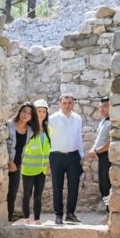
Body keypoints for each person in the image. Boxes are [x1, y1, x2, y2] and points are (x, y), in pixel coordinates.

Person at [46, 93, 85, 224]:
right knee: (57, 186)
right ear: (60, 104)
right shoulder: (52, 119)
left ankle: (70, 213)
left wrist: (81, 155)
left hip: (73, 156)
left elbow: (79, 137)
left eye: (70, 103)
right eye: (65, 103)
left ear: (73, 104)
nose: (67, 105)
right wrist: (46, 158)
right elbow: (47, 139)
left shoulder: (78, 118)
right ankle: (58, 214)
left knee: (74, 186)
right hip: (56, 156)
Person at [19, 108, 51, 225]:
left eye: (44, 111)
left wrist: (49, 163)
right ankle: (26, 218)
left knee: (38, 195)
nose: (41, 114)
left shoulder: (49, 130)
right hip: (28, 167)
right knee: (27, 194)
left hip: (42, 168)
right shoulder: (29, 129)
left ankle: (37, 219)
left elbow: (49, 148)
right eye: (38, 111)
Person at [6, 102, 34, 222]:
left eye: (29, 113)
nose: (25, 115)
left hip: (17, 166)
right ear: (20, 111)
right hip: (4, 164)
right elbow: (1, 144)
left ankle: (8, 220)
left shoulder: (30, 131)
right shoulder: (9, 125)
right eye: (24, 111)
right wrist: (8, 161)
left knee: (12, 194)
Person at [86, 96, 112, 208]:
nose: (102, 109)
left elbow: (112, 142)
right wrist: (93, 149)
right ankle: (108, 210)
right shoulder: (103, 122)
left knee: (107, 185)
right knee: (103, 185)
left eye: (105, 106)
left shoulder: (113, 122)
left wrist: (97, 151)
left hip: (109, 157)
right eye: (100, 107)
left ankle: (110, 210)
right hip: (101, 157)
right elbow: (99, 140)